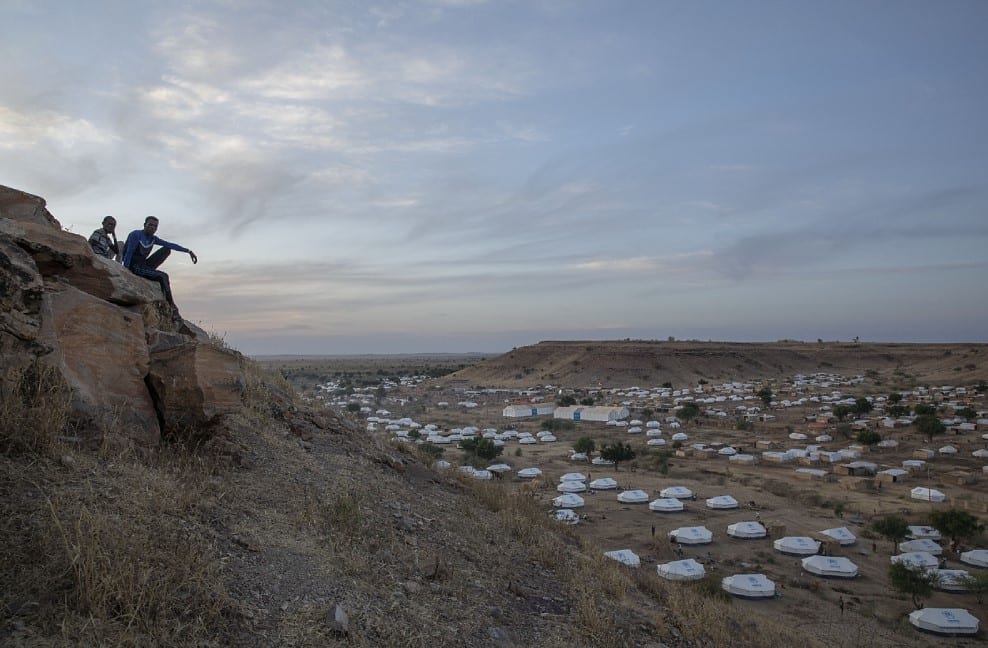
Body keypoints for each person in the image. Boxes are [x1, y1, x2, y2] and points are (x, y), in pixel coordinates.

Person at [122, 216, 197, 315]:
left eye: (155, 226)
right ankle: (172, 306)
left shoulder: (153, 239)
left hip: (144, 264)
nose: (152, 228)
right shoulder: (135, 235)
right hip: (135, 266)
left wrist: (188, 251)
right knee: (163, 276)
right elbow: (128, 253)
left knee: (166, 249)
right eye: (150, 225)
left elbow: (170, 244)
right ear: (145, 225)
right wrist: (126, 271)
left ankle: (150, 272)